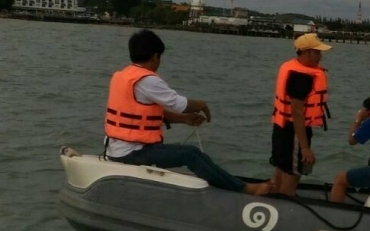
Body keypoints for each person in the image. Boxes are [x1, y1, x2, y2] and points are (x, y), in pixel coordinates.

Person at [104, 30, 258, 194]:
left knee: (187, 153)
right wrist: (202, 105)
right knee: (192, 154)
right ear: (155, 57)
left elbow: (142, 115)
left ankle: (227, 181)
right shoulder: (147, 80)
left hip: (115, 149)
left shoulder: (122, 76)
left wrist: (184, 119)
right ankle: (244, 188)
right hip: (132, 152)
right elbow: (178, 104)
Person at [256, 33, 331, 198]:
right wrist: (305, 148)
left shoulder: (292, 68)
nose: (320, 56)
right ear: (305, 53)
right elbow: (297, 113)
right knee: (291, 175)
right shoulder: (302, 77)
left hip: (281, 127)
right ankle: (285, 203)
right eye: (317, 52)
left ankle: (270, 199)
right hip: (294, 132)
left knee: (281, 167)